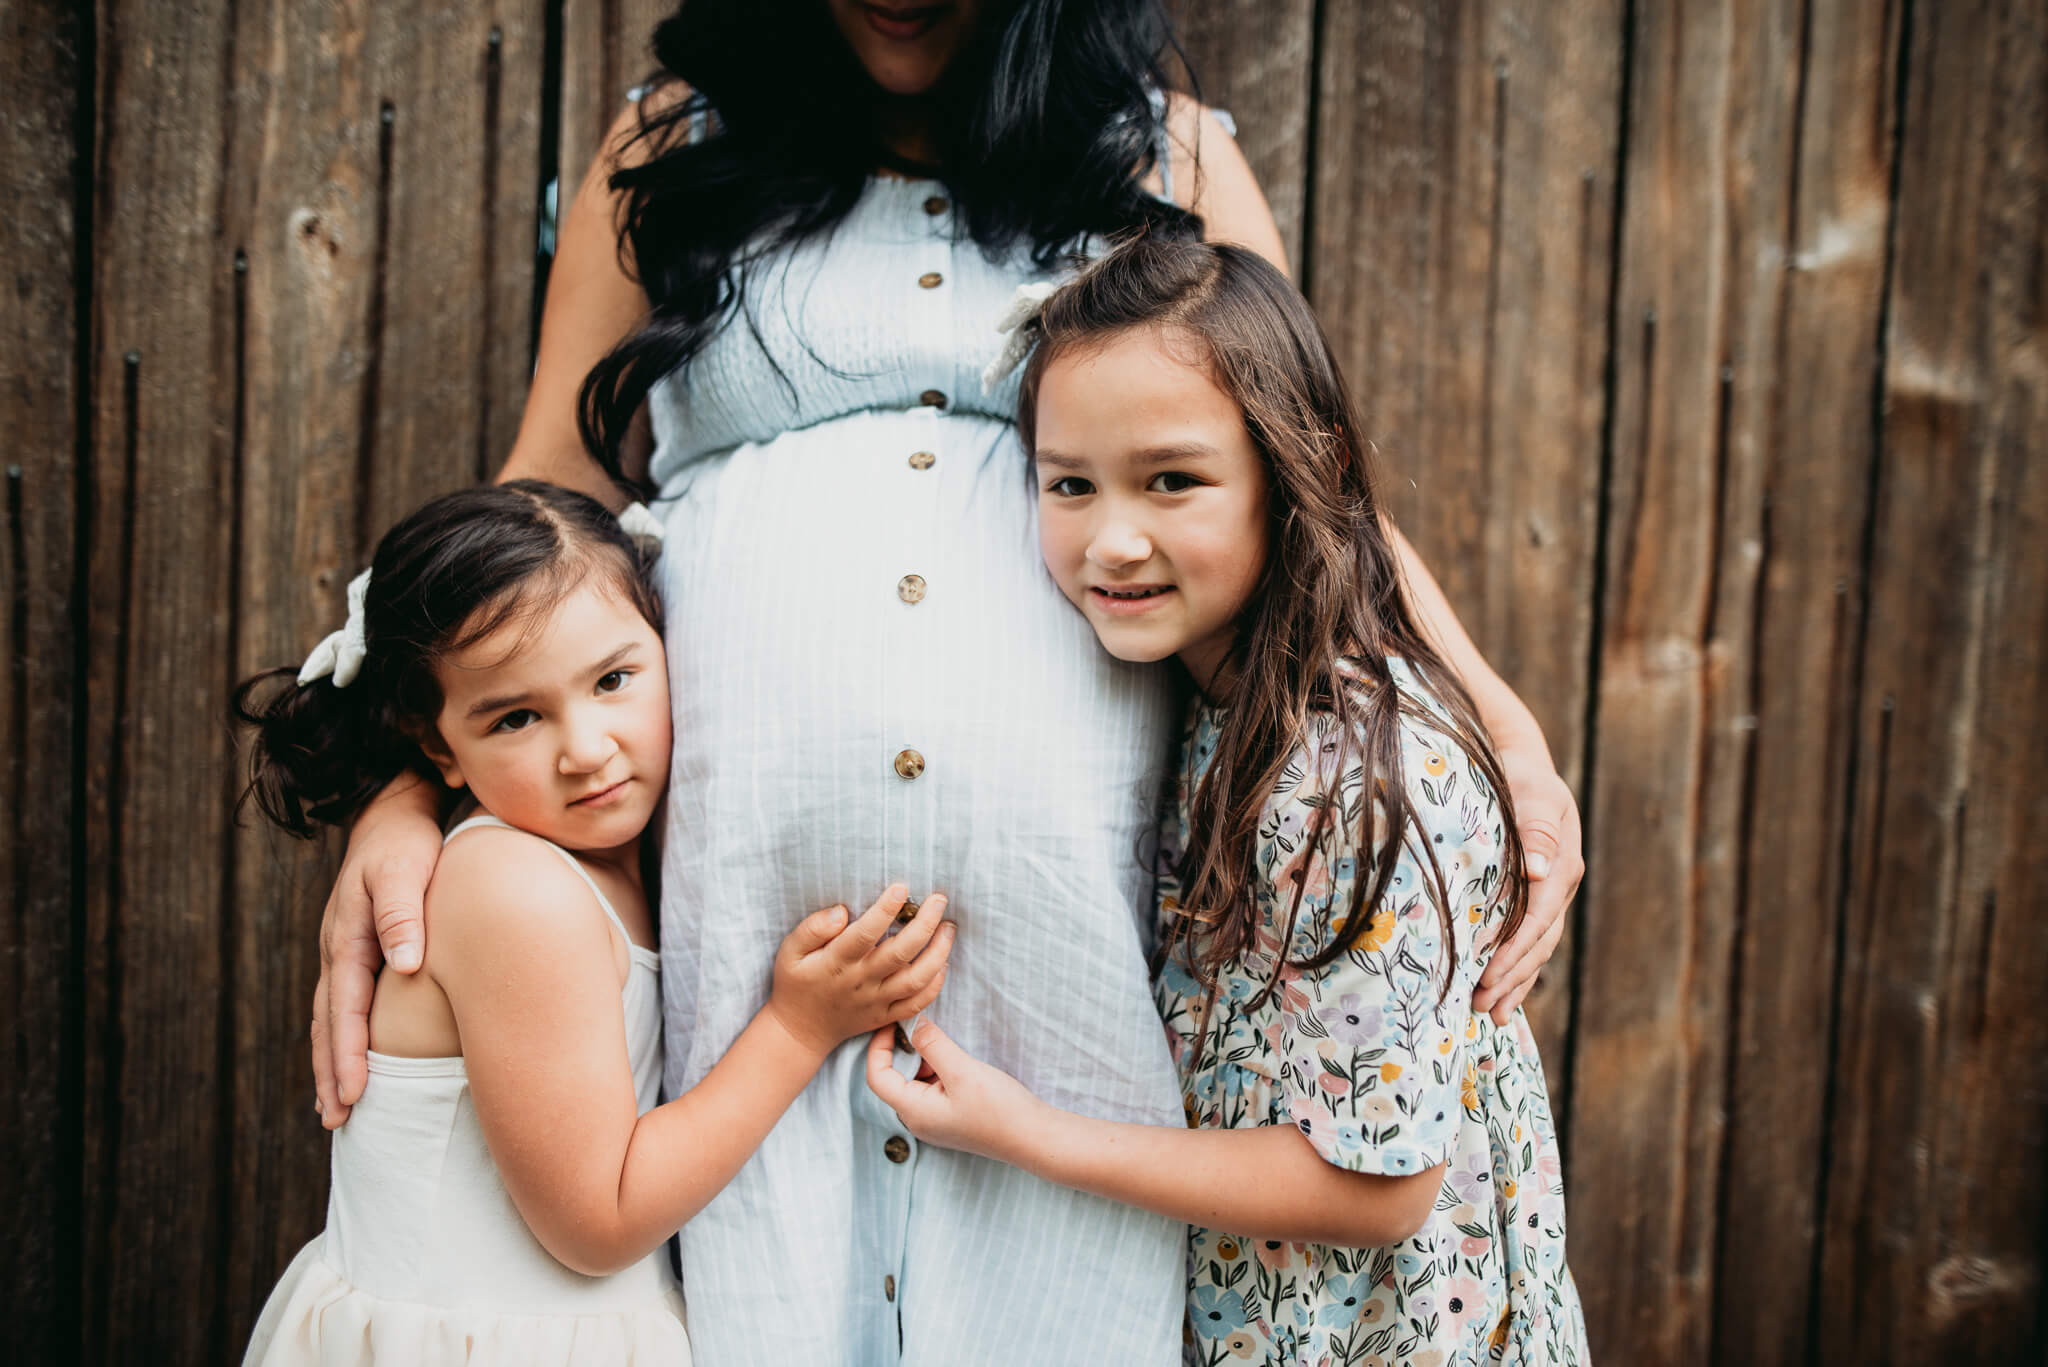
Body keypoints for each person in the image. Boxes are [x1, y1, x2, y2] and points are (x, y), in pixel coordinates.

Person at [309, 3, 1583, 1360]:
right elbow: (543, 500)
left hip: (1067, 935)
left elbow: (1307, 467)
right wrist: (409, 782)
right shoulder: (676, 142)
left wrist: (1501, 729)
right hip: (753, 942)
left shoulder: (1169, 157)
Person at [865, 236, 1590, 1365]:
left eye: (1172, 479)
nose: (1111, 538)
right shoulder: (1219, 695)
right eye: (1069, 483)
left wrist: (1028, 1132)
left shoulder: (1352, 775)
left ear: (1299, 468)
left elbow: (1376, 1187)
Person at [236, 481, 952, 1364]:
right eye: (516, 716)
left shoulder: (599, 857)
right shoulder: (512, 888)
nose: (585, 748)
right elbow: (600, 1219)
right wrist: (799, 1026)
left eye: (613, 680)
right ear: (438, 746)